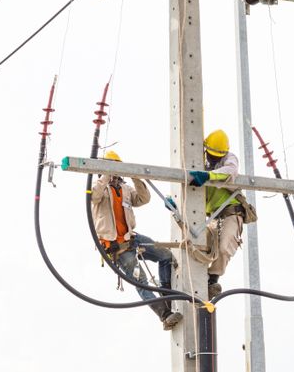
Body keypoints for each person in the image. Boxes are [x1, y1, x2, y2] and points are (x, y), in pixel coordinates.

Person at [91, 150, 183, 331]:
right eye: (112, 167)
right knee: (140, 280)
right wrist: (106, 174)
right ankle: (164, 315)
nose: (115, 172)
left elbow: (143, 199)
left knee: (166, 256)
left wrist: (136, 177)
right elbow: (94, 197)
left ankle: (168, 301)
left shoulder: (125, 189)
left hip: (132, 238)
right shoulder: (99, 187)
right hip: (115, 246)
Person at [187, 129, 245, 299]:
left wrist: (208, 175)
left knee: (224, 246)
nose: (213, 159)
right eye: (211, 156)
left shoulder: (229, 158)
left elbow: (231, 171)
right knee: (198, 245)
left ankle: (212, 279)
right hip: (212, 215)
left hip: (231, 211)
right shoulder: (198, 160)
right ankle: (198, 278)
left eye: (216, 157)